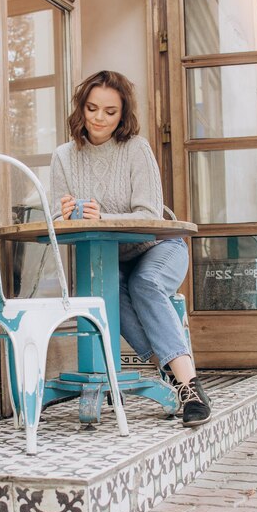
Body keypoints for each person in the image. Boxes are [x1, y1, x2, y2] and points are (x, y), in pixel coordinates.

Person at [50, 70, 211, 426]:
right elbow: (53, 218)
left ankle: (189, 386)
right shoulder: (63, 156)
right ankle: (176, 372)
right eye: (92, 108)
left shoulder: (136, 148)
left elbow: (149, 215)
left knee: (144, 284)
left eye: (110, 111)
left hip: (158, 247)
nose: (99, 118)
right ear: (81, 107)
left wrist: (101, 215)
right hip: (111, 260)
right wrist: (61, 214)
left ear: (123, 114)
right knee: (106, 293)